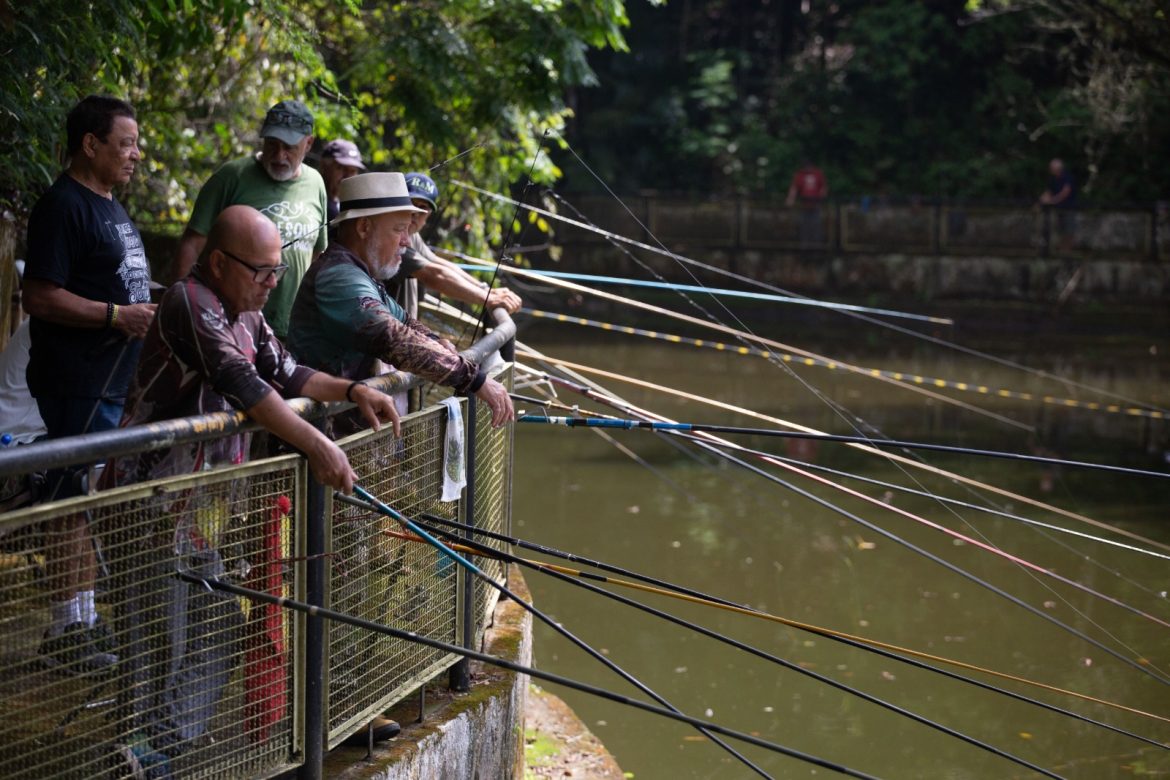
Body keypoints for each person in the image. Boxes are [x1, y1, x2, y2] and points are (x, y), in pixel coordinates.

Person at [105, 205, 399, 767]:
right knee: (155, 648)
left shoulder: (247, 312)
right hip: (144, 504)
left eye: (277, 272)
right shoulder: (192, 303)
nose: (271, 283)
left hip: (194, 514)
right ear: (218, 262)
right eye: (260, 271)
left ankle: (160, 754)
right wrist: (319, 445)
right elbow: (245, 384)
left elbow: (287, 372)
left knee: (215, 629)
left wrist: (352, 390)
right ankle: (136, 757)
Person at [22, 94, 157, 673]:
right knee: (70, 496)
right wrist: (114, 317)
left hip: (110, 381)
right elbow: (40, 295)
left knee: (85, 496)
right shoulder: (63, 206)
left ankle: (85, 614)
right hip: (76, 379)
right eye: (125, 143)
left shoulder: (110, 205)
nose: (135, 154)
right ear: (91, 144)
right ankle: (65, 626)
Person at [288, 172, 513, 426]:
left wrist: (437, 342)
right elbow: (393, 337)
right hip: (311, 435)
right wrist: (474, 379)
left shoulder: (361, 272)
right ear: (364, 227)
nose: (406, 241)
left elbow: (405, 322)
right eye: (399, 230)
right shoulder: (339, 276)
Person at [174, 100, 328, 339]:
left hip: (294, 326)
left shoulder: (316, 183)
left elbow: (317, 255)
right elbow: (193, 243)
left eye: (289, 147)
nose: (279, 155)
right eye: (272, 144)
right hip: (230, 320)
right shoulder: (232, 176)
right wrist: (181, 306)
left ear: (308, 144)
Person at [393, 171, 523, 319]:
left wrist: (487, 290)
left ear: (429, 214)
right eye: (410, 204)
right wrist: (489, 298)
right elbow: (435, 275)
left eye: (422, 208)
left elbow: (439, 264)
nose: (414, 213)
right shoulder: (392, 239)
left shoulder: (412, 236)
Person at [317, 139, 366, 221]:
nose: (347, 176)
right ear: (323, 166)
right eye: (341, 168)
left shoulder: (348, 208)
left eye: (353, 171)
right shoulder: (313, 201)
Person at [785, 160, 829, 247]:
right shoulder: (800, 175)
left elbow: (823, 187)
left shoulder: (818, 174)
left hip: (815, 203)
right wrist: (790, 199)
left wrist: (821, 197)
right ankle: (804, 245)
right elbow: (794, 188)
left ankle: (817, 245)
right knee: (803, 224)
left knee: (816, 224)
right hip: (804, 203)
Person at [1038, 158, 1077, 250]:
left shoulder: (1067, 177)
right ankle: (1059, 248)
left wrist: (1052, 201)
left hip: (1069, 207)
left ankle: (1067, 249)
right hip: (1058, 208)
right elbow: (1048, 191)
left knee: (1069, 229)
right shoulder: (1052, 179)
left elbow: (1065, 192)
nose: (1050, 170)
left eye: (1052, 168)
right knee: (1059, 228)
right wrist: (1041, 201)